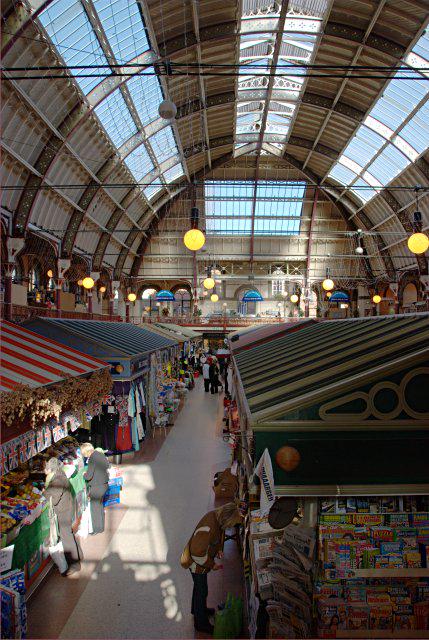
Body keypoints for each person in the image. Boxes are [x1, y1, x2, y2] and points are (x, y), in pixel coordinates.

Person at [184, 502, 243, 634]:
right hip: (196, 563)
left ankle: (198, 610)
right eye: (231, 524)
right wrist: (212, 564)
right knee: (201, 591)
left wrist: (218, 549)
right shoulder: (208, 527)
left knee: (199, 588)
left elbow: (217, 536)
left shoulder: (216, 517)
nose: (230, 527)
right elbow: (197, 553)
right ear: (227, 518)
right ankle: (201, 624)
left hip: (201, 560)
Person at [44, 457, 83, 576]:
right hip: (66, 507)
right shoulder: (59, 474)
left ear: (50, 469)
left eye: (45, 468)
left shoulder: (57, 479)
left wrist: (44, 493)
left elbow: (54, 497)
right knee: (68, 535)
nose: (44, 470)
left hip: (64, 510)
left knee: (66, 537)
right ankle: (78, 556)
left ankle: (74, 564)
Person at [82, 443, 110, 534]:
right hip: (104, 484)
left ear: (86, 452)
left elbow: (89, 476)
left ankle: (97, 529)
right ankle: (101, 527)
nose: (84, 456)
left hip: (97, 486)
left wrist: (84, 475)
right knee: (99, 506)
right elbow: (106, 465)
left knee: (95, 509)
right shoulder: (99, 454)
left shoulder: (92, 459)